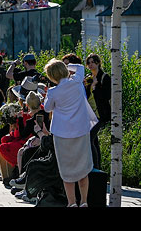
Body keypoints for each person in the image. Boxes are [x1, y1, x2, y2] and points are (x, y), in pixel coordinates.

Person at [43, 58, 98, 207]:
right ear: (65, 70)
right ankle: (84, 201)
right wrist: (66, 65)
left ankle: (72, 202)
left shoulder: (54, 91)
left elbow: (47, 108)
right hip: (81, 129)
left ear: (52, 76)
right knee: (83, 167)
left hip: (62, 133)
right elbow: (80, 67)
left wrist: (47, 96)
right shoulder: (77, 81)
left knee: (67, 170)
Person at [84, 53, 111, 169]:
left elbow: (107, 95)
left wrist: (95, 87)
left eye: (93, 62)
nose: (91, 64)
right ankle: (96, 167)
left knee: (89, 138)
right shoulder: (88, 77)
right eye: (89, 62)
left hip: (99, 113)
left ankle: (95, 167)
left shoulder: (104, 77)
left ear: (98, 63)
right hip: (89, 112)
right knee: (94, 140)